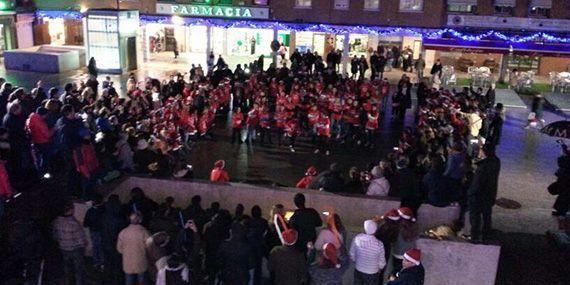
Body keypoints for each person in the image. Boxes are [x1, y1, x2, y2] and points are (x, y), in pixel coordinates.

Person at [468, 144, 501, 243]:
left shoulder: (483, 167)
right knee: (487, 216)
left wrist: (470, 193)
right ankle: (486, 236)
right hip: (490, 194)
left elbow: (477, 184)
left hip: (479, 196)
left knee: (475, 217)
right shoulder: (496, 162)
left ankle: (475, 237)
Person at [52, 202, 88, 285]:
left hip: (63, 248)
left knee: (67, 268)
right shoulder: (74, 224)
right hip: (75, 249)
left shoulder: (57, 221)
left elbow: (55, 235)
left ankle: (69, 282)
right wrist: (85, 245)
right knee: (78, 270)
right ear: (71, 210)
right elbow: (81, 240)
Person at [117, 211, 151, 285]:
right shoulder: (144, 232)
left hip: (127, 262)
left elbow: (119, 249)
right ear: (140, 220)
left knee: (129, 281)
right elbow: (150, 247)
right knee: (142, 281)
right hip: (141, 261)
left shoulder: (123, 232)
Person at [349, 220, 386, 285]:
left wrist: (356, 261)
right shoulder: (379, 244)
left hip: (359, 269)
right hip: (372, 272)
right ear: (375, 231)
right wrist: (380, 268)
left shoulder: (357, 238)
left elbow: (352, 254)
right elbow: (382, 261)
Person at [83, 194, 106, 271]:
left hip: (93, 231)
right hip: (102, 231)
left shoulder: (90, 211)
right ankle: (102, 264)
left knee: (95, 247)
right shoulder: (104, 210)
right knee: (101, 247)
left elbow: (85, 224)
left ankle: (96, 263)